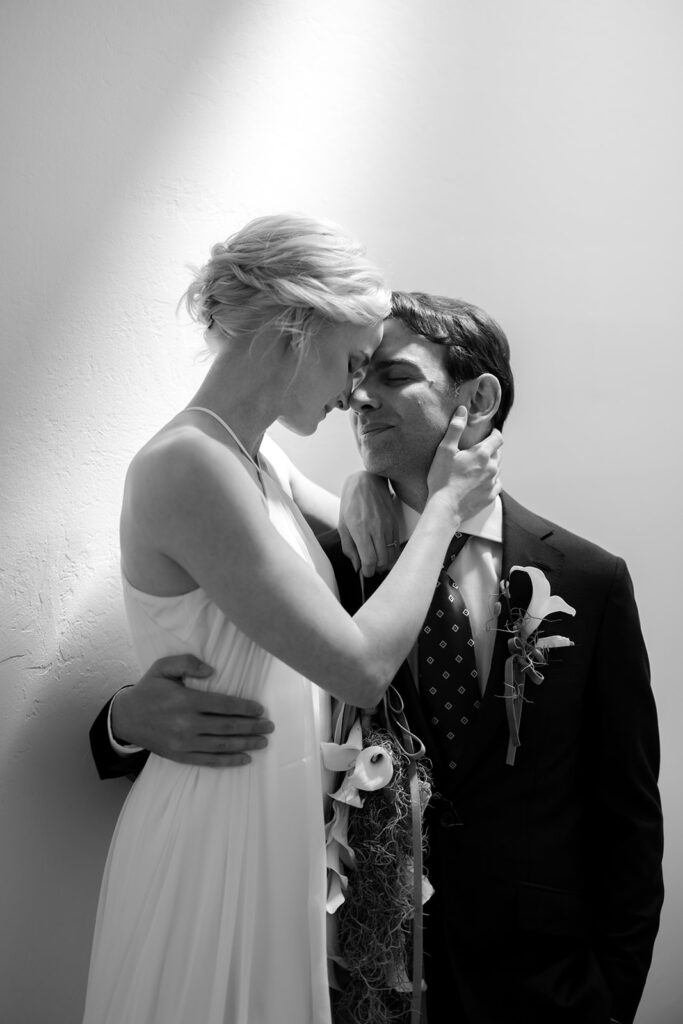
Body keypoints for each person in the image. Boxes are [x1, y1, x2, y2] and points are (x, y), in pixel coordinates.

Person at [92, 290, 663, 1024]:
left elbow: (627, 816)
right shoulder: (328, 565)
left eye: (393, 376)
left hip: (539, 988)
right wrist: (123, 720)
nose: (357, 396)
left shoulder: (590, 581)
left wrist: (610, 1000)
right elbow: (236, 695)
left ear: (478, 398)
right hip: (356, 981)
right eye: (357, 372)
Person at [82, 222, 502, 1024]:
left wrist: (372, 486)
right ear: (293, 328)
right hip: (215, 834)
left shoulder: (257, 459)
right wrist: (450, 504)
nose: (352, 393)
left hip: (272, 829)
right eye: (350, 363)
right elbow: (356, 664)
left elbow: (364, 538)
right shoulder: (189, 464)